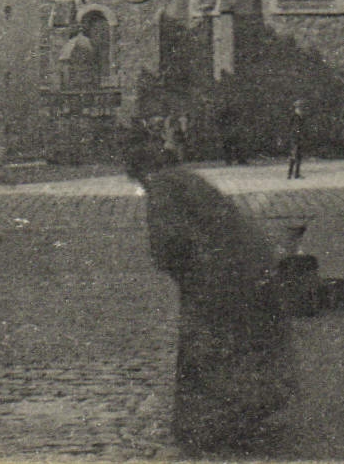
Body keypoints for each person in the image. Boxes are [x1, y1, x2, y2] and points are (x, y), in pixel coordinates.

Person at [127, 129, 295, 456]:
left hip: (223, 275)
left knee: (212, 347)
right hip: (250, 265)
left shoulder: (162, 188)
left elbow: (170, 244)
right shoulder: (183, 178)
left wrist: (183, 273)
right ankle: (247, 414)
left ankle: (220, 425)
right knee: (246, 343)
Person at [285, 100, 305, 180]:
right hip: (296, 138)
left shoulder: (298, 116)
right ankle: (290, 174)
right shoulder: (296, 116)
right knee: (294, 155)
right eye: (300, 107)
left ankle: (295, 174)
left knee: (298, 156)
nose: (301, 109)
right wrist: (298, 135)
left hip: (296, 137)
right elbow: (296, 128)